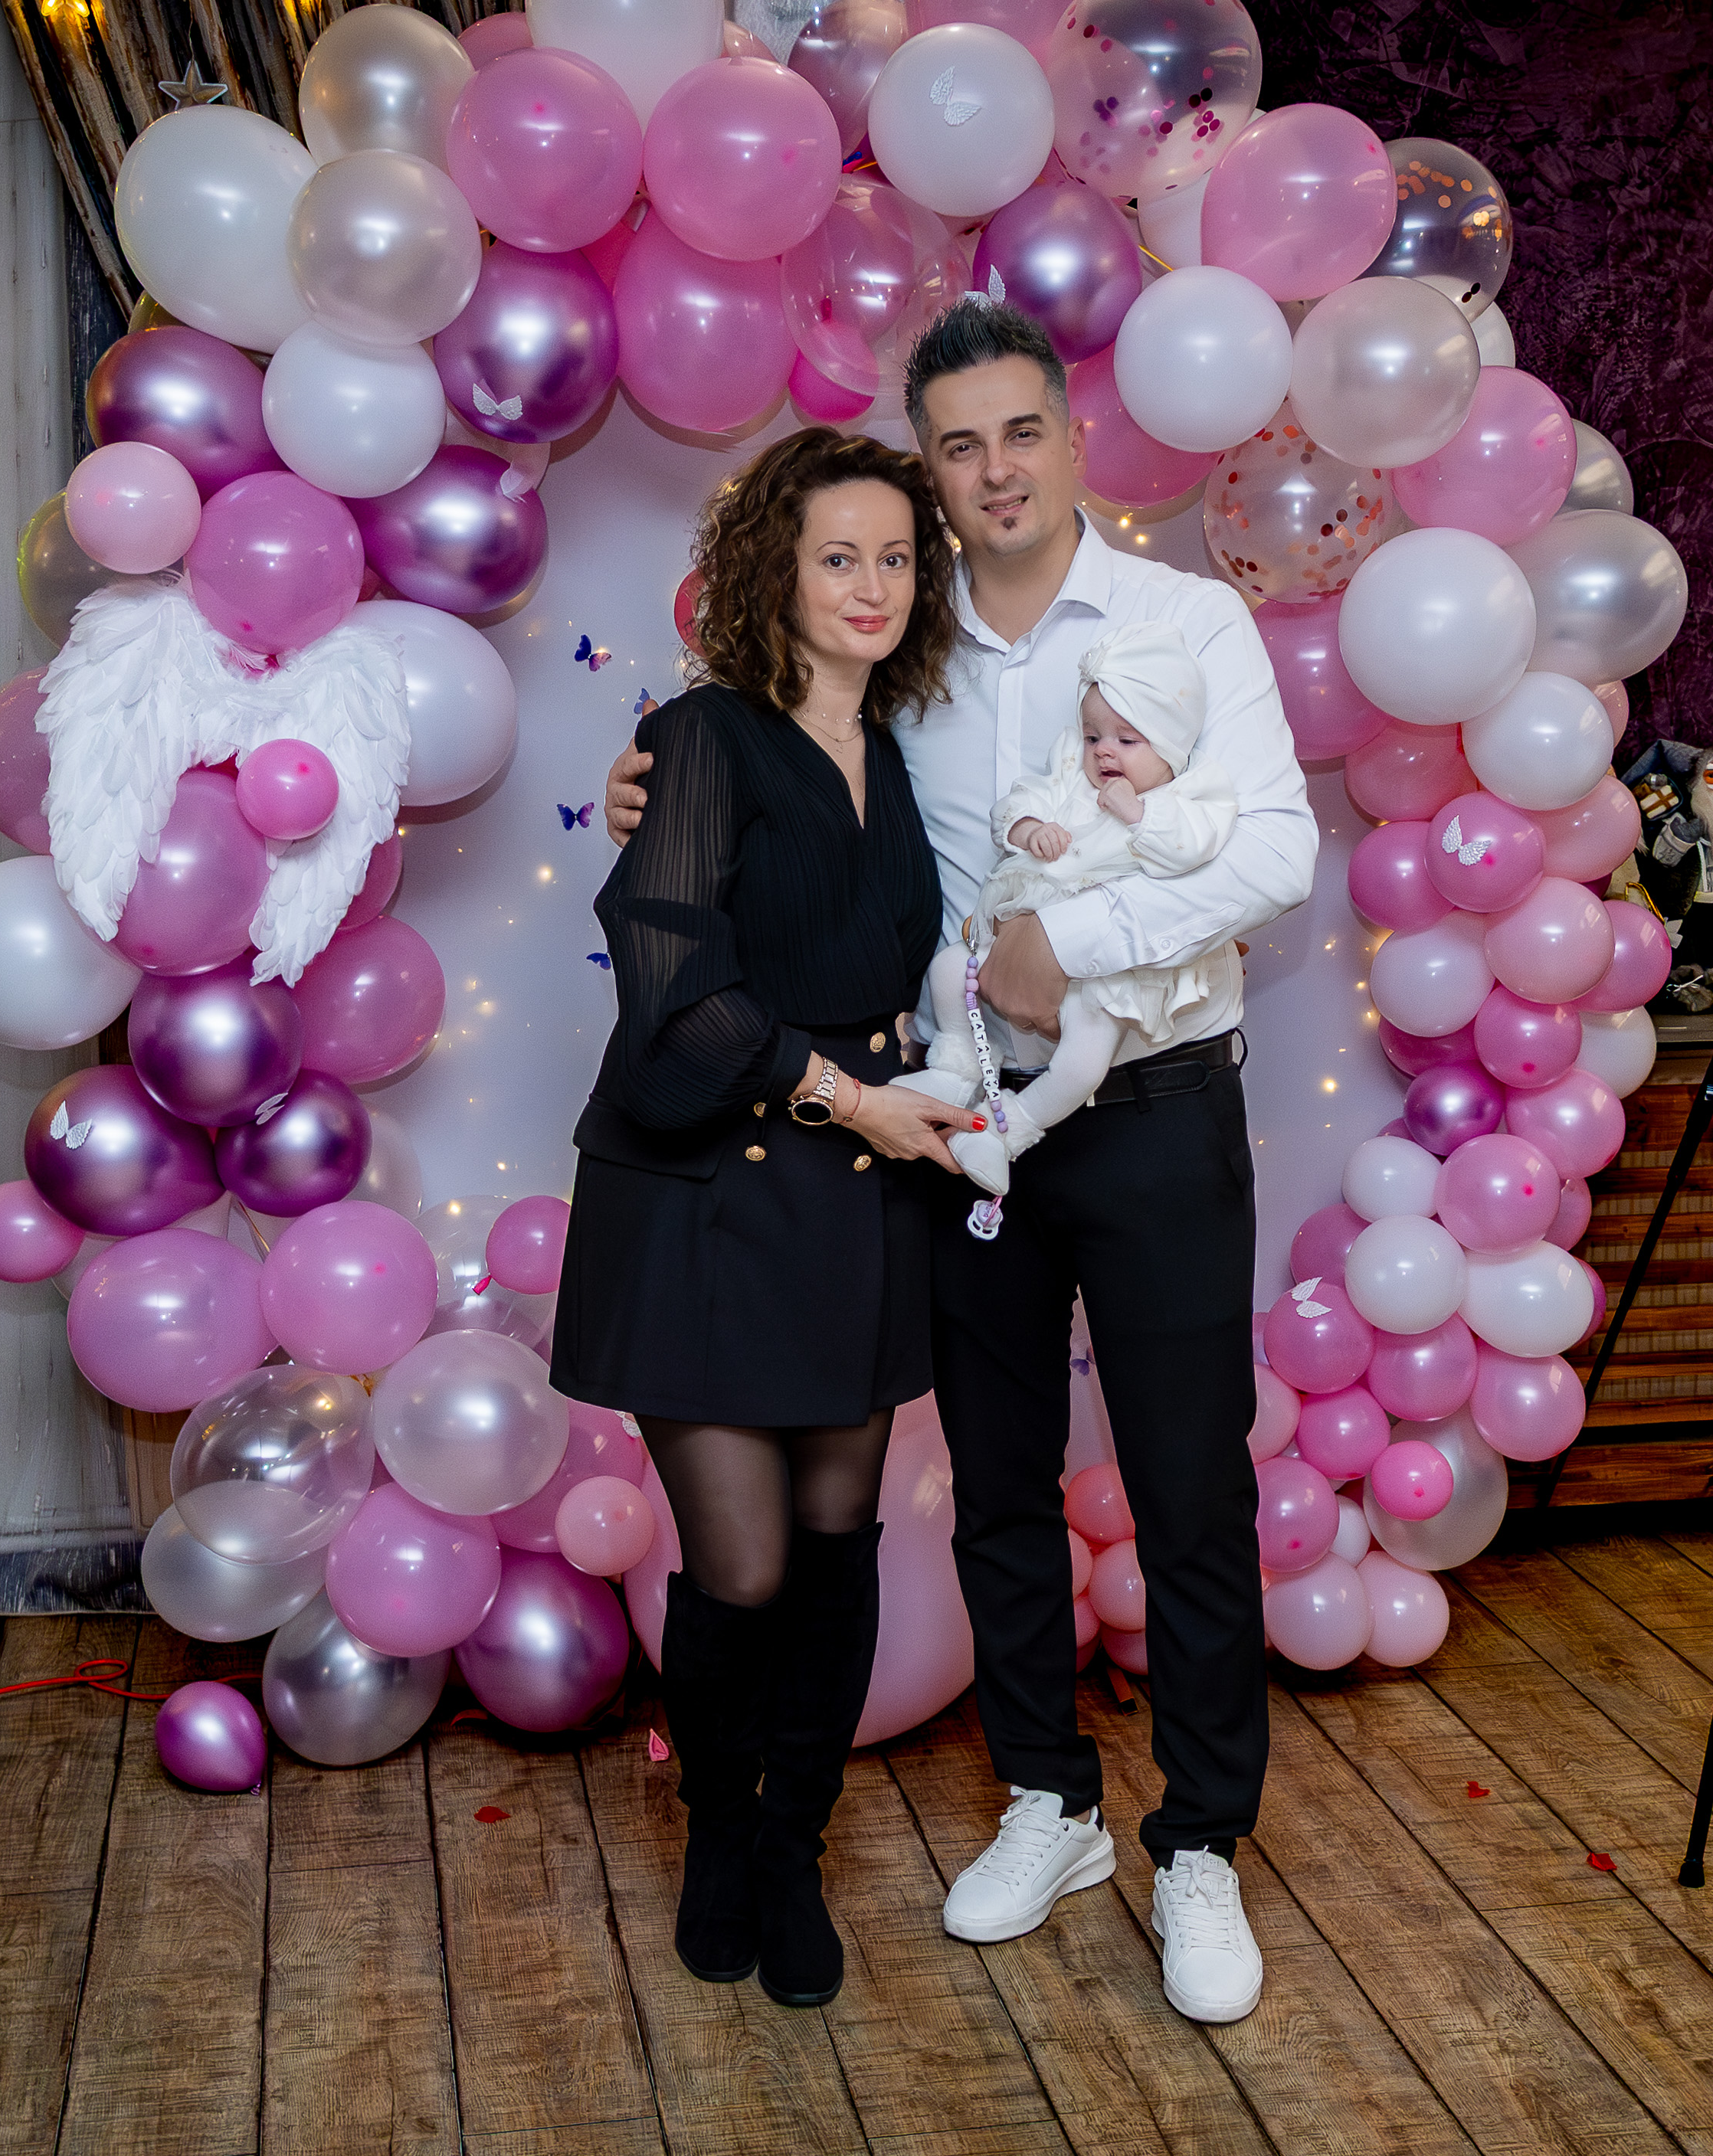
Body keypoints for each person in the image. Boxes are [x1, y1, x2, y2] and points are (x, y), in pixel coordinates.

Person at [609, 300, 1313, 2026]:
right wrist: (658, 786)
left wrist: (1078, 947)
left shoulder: (1184, 622)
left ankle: (1198, 1841)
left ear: (1072, 437)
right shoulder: (903, 657)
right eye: (958, 447)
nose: (994, 471)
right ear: (930, 473)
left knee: (1188, 1487)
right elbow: (783, 773)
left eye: (1019, 433)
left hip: (1155, 1106)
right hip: (961, 1127)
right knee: (995, 1483)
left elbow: (1279, 852)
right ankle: (1049, 1801)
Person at [549, 427, 971, 2011]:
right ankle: (716, 1834)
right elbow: (676, 987)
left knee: (839, 1547)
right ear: (772, 575)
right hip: (707, 1193)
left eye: (895, 557)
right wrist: (854, 1099)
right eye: (837, 556)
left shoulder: (920, 758)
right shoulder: (701, 738)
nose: (871, 585)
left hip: (856, 1199)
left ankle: (793, 1844)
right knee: (738, 1567)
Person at [902, 622, 1240, 1204]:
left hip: (1107, 974)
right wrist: (1029, 828)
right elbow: (1015, 804)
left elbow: (1195, 848)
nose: (1104, 751)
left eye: (1127, 739)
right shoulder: (1070, 780)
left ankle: (1008, 1132)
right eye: (1092, 736)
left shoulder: (1184, 798)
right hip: (1015, 936)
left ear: (1170, 745)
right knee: (949, 969)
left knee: (1084, 1063)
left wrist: (1140, 816)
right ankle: (955, 1068)